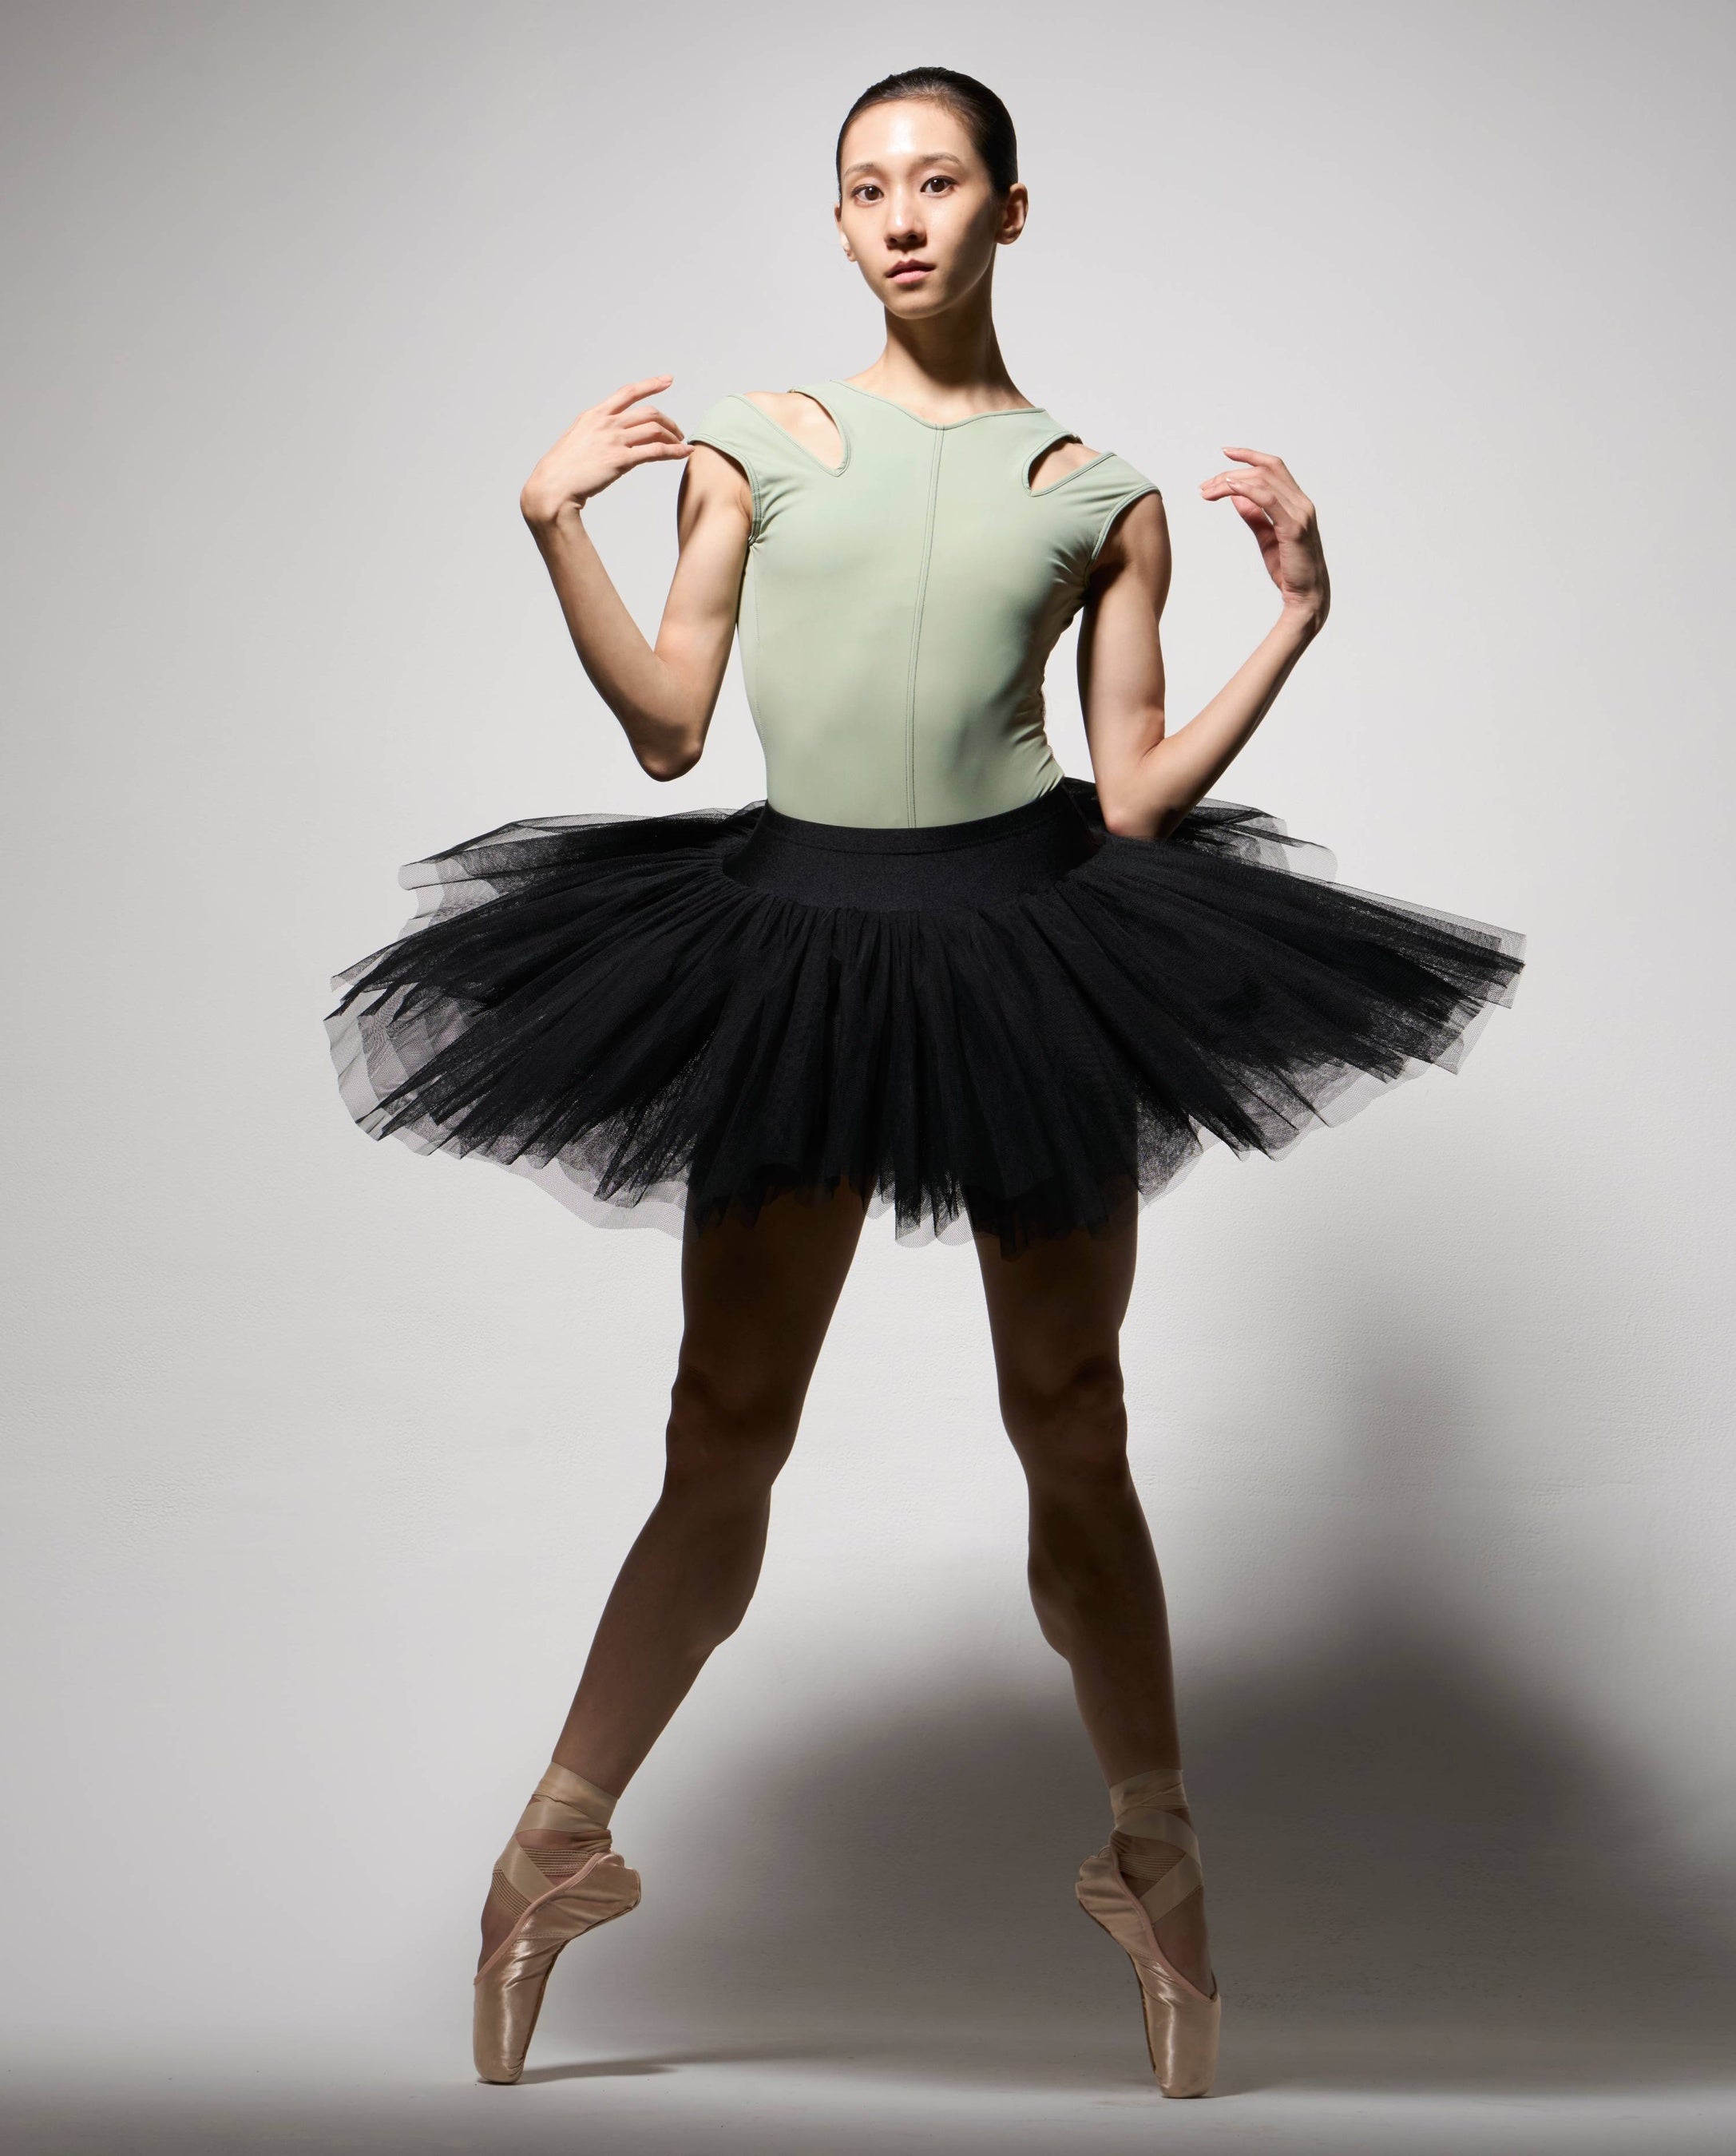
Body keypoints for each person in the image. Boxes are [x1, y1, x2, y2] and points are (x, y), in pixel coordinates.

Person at [325, 65, 1524, 2099]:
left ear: (1008, 211)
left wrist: (1298, 623)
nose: (901, 215)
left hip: (1026, 947)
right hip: (792, 947)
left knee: (1074, 1417)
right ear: (838, 221)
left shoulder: (1099, 493)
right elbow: (668, 729)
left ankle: (1159, 1868)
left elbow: (1130, 797)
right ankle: (549, 1854)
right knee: (724, 1426)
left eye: (939, 181)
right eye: (868, 186)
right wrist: (552, 528)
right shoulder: (756, 447)